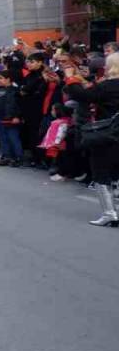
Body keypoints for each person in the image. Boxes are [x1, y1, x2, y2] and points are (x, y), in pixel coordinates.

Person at [65, 55, 119, 226]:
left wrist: (70, 78)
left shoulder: (108, 86)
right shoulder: (105, 86)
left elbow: (81, 95)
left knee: (101, 172)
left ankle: (110, 213)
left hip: (106, 133)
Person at [0, 71, 24, 167]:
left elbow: (19, 105)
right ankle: (6, 156)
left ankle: (18, 158)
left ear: (8, 79)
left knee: (13, 138)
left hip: (11, 118)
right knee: (2, 138)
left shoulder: (15, 90)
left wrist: (17, 116)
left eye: (1, 78)